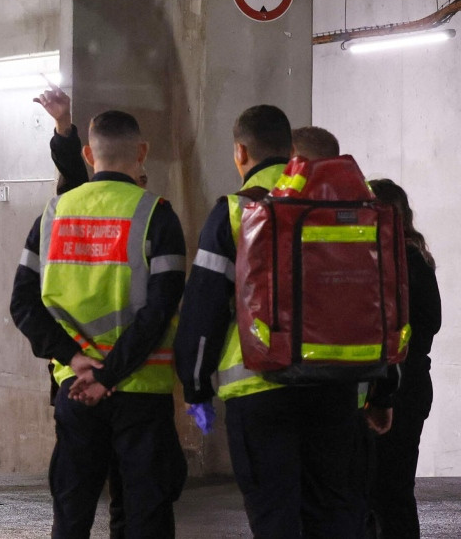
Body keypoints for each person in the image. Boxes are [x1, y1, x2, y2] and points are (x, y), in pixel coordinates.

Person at [174, 105, 361, 538]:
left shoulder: (236, 210)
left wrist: (196, 385)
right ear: (291, 149)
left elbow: (204, 306)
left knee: (274, 517)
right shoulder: (346, 201)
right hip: (336, 385)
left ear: (241, 151)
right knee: (334, 514)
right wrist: (384, 387)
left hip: (260, 390)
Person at [39, 110, 187, 539]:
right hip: (141, 390)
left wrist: (80, 365)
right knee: (145, 515)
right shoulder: (156, 214)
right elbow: (161, 309)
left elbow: (24, 304)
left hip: (75, 386)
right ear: (142, 152)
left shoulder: (55, 213)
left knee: (72, 513)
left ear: (88, 153)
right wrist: (111, 374)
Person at [9, 85, 140, 538]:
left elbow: (22, 304)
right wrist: (63, 128)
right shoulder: (141, 215)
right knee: (128, 502)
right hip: (129, 380)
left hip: (76, 377)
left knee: (74, 499)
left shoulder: (65, 215)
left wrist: (72, 360)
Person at [365, 179, 441, 538]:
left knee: (385, 493)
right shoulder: (415, 257)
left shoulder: (399, 261)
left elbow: (411, 325)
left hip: (396, 385)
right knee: (387, 492)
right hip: (407, 384)